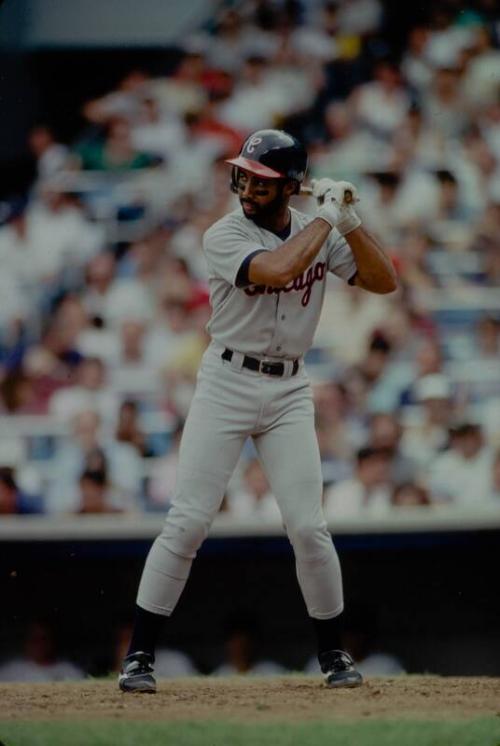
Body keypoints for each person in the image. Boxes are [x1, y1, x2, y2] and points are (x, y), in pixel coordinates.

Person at [118, 128, 396, 693]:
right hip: (226, 380)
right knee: (189, 519)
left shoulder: (315, 227)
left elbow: (384, 280)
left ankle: (334, 655)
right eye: (244, 174)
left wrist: (347, 219)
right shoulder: (224, 233)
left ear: (290, 187)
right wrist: (323, 218)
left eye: (263, 180)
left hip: (290, 387)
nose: (247, 185)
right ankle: (139, 656)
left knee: (309, 528)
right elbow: (276, 271)